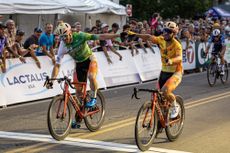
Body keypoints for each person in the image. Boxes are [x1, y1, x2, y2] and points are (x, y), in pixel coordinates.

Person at [47, 22, 121, 127]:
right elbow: (57, 65)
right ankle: (78, 119)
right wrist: (52, 78)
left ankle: (94, 97)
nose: (64, 39)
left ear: (70, 33)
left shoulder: (80, 35)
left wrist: (117, 35)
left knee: (91, 76)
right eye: (62, 38)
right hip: (79, 64)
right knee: (78, 94)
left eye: (65, 36)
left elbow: (101, 36)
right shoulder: (63, 45)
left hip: (90, 60)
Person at [131, 21, 183, 118]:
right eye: (164, 31)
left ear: (174, 33)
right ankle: (160, 118)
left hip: (176, 72)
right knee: (156, 95)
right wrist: (134, 34)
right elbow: (148, 37)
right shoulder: (161, 40)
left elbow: (180, 58)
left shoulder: (177, 45)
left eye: (168, 31)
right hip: (164, 72)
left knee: (165, 91)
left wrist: (171, 60)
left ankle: (175, 105)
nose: (165, 33)